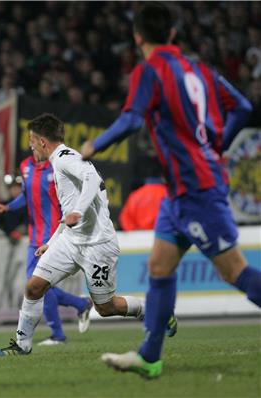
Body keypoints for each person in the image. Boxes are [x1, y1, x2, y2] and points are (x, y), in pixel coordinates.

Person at [80, 2, 260, 379]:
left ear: (137, 36)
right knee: (159, 267)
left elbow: (132, 118)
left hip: (197, 188)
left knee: (234, 271)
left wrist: (95, 146)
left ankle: (149, 354)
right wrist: (218, 146)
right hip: (179, 190)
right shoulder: (200, 70)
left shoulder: (150, 70)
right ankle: (149, 356)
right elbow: (242, 106)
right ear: (173, 34)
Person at [0, 114, 176, 357]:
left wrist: (78, 211)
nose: (30, 146)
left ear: (42, 142)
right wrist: (52, 241)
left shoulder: (65, 159)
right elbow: (68, 211)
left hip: (97, 244)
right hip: (69, 241)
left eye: (31, 141)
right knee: (34, 287)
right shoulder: (60, 161)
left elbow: (93, 179)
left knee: (106, 307)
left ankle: (157, 312)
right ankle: (22, 345)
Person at [0, 156, 94, 346]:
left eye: (35, 140)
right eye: (31, 141)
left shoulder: (58, 167)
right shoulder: (26, 165)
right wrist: (8, 207)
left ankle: (58, 334)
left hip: (51, 236)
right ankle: (80, 305)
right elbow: (26, 196)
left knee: (38, 285)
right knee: (38, 286)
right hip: (34, 238)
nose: (33, 145)